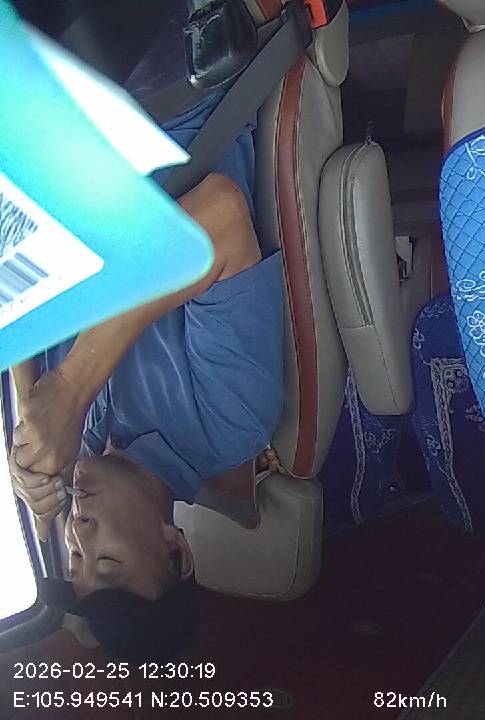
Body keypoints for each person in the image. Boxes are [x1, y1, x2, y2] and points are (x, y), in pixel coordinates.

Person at [6, 92, 283, 661]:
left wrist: (29, 408)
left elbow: (18, 269)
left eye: (75, 559)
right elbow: (220, 217)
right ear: (175, 550)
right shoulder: (229, 426)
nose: (78, 534)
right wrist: (70, 389)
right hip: (167, 97)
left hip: (51, 134)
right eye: (107, 560)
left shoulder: (81, 439)